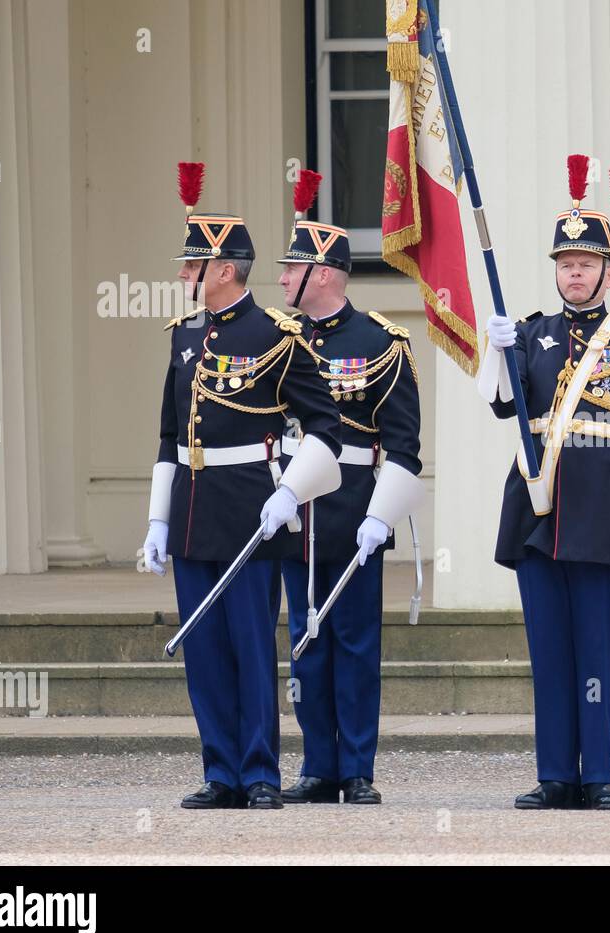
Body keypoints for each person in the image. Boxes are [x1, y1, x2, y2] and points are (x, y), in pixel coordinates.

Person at [477, 155, 610, 811]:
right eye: (565, 262)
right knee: (550, 654)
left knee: (599, 652)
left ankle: (598, 775)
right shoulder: (530, 334)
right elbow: (503, 408)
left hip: (600, 509)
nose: (575, 272)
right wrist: (495, 347)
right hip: (537, 510)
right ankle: (555, 774)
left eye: (586, 263)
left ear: (605, 270)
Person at [141, 162, 342, 810]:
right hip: (195, 510)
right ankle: (220, 770)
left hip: (253, 506)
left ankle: (260, 773)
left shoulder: (276, 337)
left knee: (253, 646)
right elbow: (171, 438)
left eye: (192, 265)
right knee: (204, 650)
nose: (183, 275)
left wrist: (291, 492)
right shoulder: (183, 337)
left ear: (224, 268)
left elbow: (327, 427)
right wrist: (156, 520)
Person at [273, 171, 424, 806]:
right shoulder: (276, 340)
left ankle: (357, 766)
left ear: (325, 274)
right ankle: (317, 764)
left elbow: (405, 446)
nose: (281, 280)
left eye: (291, 269)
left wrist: (380, 517)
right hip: (293, 506)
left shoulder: (380, 343)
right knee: (306, 641)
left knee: (356, 643)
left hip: (355, 504)